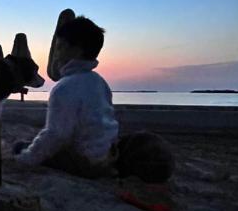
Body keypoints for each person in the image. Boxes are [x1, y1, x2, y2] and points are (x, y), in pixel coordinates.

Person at [13, 15, 174, 182]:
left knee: (21, 147)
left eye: (60, 47)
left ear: (76, 50)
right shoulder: (99, 82)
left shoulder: (64, 88)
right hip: (108, 155)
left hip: (86, 162)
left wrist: (27, 158)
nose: (56, 55)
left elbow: (56, 135)